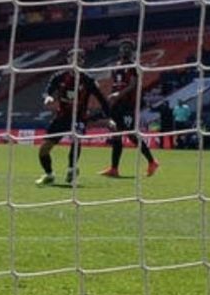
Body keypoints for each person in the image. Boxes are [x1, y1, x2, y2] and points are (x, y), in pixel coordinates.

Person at [36, 48, 115, 186]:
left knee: (76, 140)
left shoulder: (88, 80)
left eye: (78, 59)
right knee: (44, 149)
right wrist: (48, 97)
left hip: (79, 118)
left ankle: (71, 169)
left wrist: (109, 118)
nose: (75, 61)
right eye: (72, 58)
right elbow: (47, 91)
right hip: (61, 117)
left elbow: (102, 100)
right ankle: (49, 175)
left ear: (82, 62)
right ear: (67, 60)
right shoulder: (58, 77)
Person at [99, 40, 159, 178]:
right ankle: (114, 168)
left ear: (132, 51)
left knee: (131, 135)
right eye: (123, 47)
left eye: (128, 48)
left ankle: (152, 162)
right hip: (117, 106)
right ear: (119, 50)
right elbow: (116, 84)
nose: (125, 50)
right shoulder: (116, 67)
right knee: (116, 135)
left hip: (128, 106)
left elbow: (133, 85)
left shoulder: (133, 66)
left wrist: (118, 94)